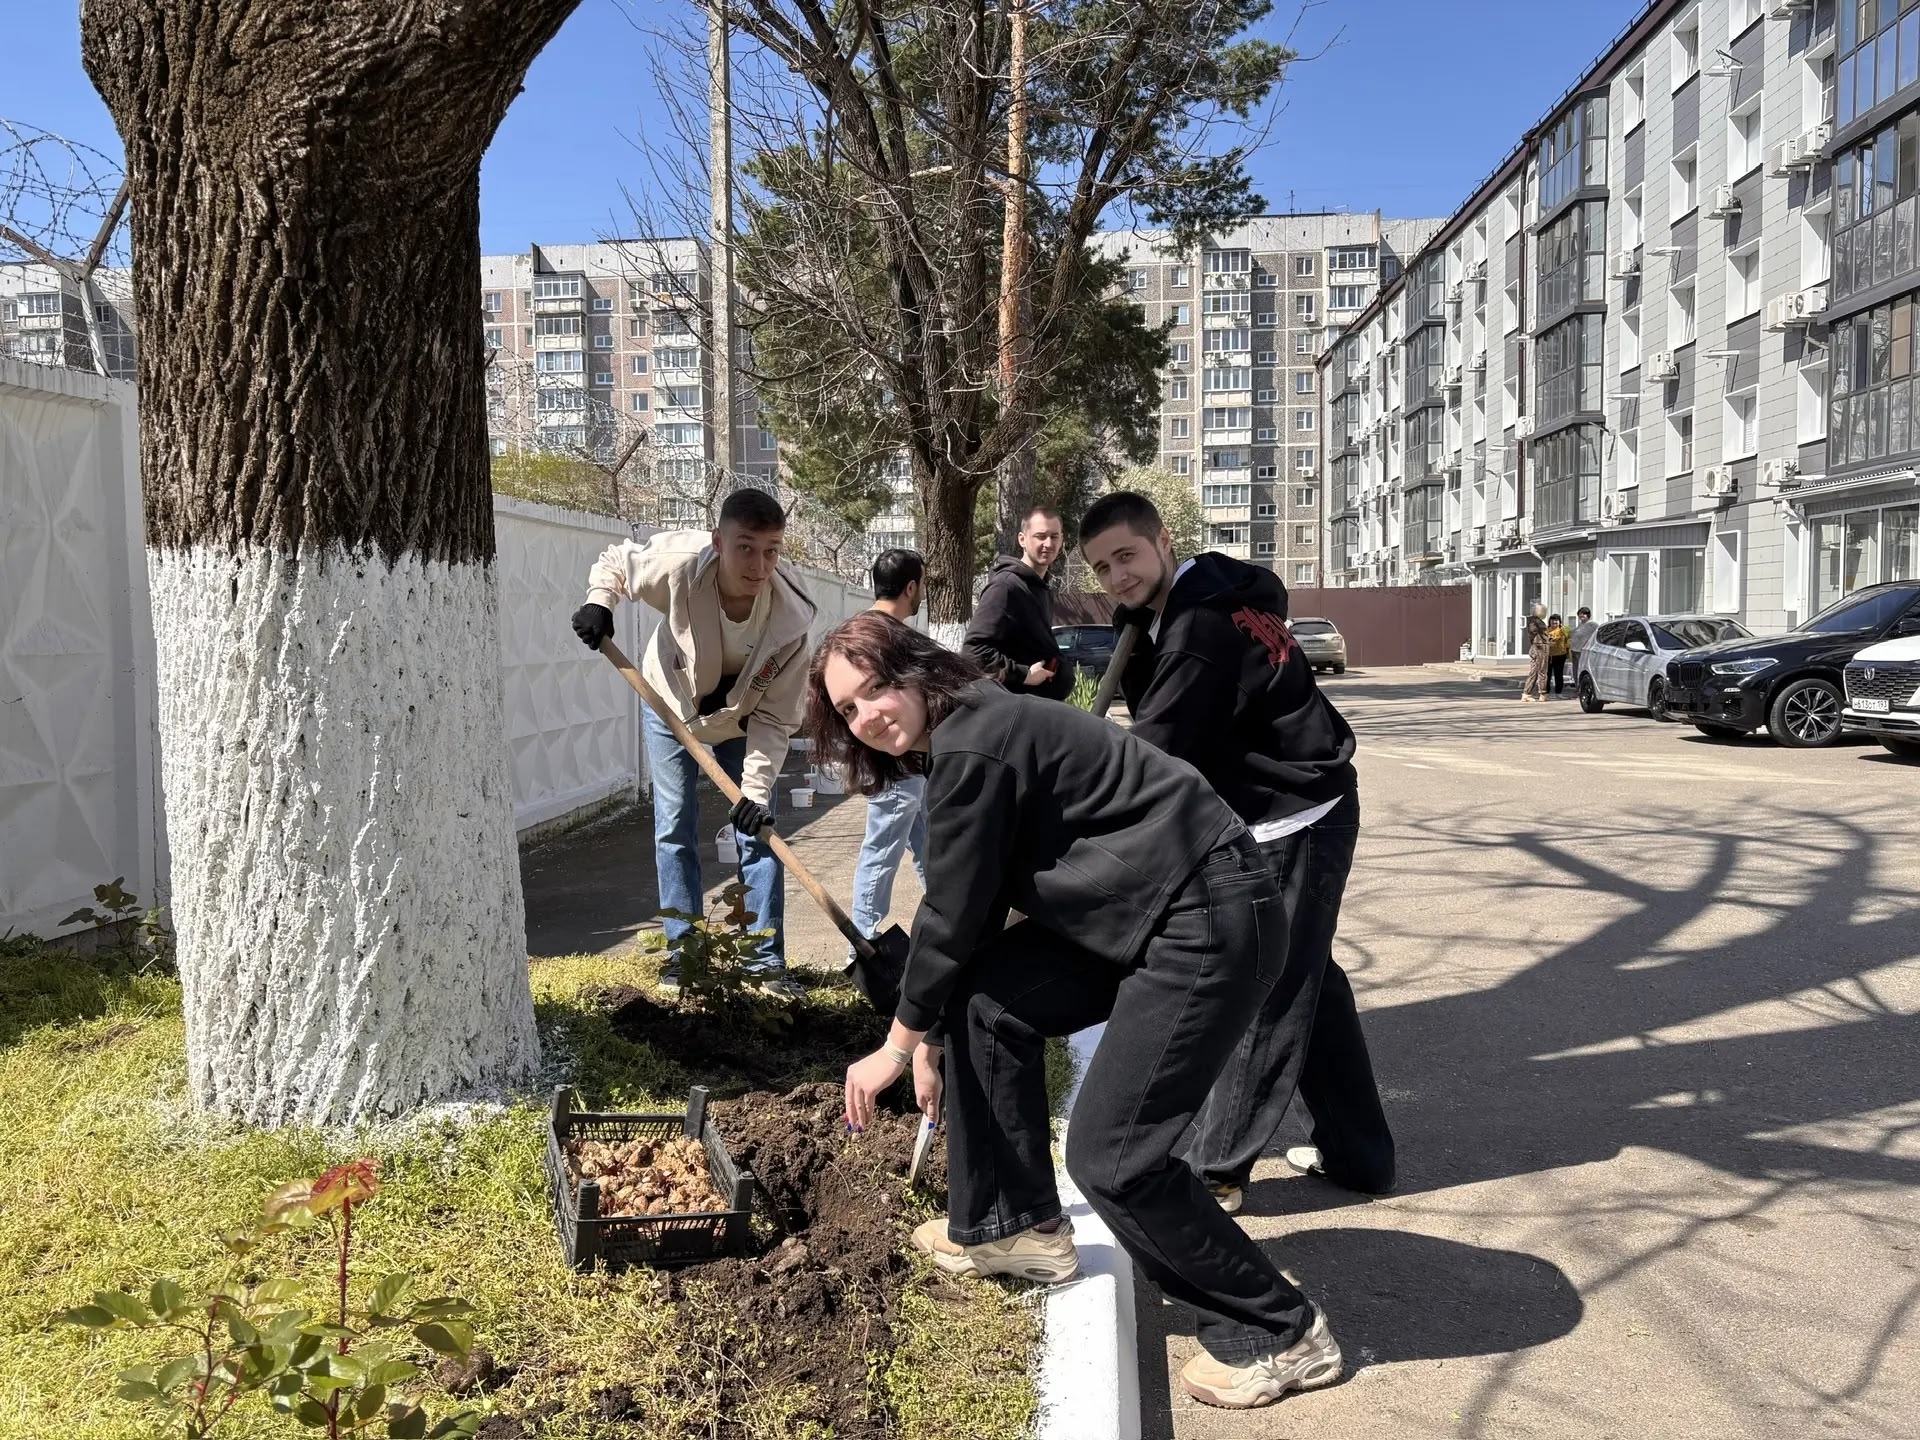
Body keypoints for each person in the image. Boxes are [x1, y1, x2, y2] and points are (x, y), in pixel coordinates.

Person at [815, 613, 1346, 1412]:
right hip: (1154, 910)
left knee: (1115, 1157)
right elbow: (960, 919)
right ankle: (1012, 1228)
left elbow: (956, 913)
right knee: (989, 1002)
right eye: (849, 710)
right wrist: (927, 1027)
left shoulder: (976, 744)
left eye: (877, 689)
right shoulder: (974, 730)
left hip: (1205, 920)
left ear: (916, 670)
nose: (869, 716)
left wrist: (896, 1046)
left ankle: (1285, 1331)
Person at [1079, 492, 1393, 1216]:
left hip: (1293, 818)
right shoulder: (1206, 592)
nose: (1117, 577)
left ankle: (1218, 1170)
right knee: (1312, 980)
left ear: (1162, 540)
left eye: (1127, 556)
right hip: (1286, 805)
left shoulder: (1196, 629)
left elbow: (1153, 755)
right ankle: (1361, 1155)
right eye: (1101, 568)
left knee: (1267, 987)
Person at [570, 489, 815, 995]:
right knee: (674, 824)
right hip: (668, 708)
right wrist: (599, 602)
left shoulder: (792, 616)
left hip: (742, 723)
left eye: (772, 549)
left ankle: (764, 962)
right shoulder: (681, 565)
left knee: (758, 827)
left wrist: (756, 792)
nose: (759, 564)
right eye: (745, 547)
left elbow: (774, 717)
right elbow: (617, 561)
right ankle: (685, 958)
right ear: (718, 541)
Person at [847, 548, 930, 963]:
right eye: (922, 587)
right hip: (895, 766)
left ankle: (950, 925)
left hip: (905, 766)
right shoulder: (893, 637)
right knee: (882, 852)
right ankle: (861, 942)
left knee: (931, 848)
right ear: (911, 587)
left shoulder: (858, 632)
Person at [962, 504, 1075, 701]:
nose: (1048, 543)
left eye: (1054, 536)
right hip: (1015, 714)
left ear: (1062, 539)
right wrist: (1024, 675)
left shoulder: (1041, 586)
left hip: (1037, 710)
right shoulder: (1006, 587)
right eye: (1040, 536)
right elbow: (974, 652)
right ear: (1022, 539)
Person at [1521, 602, 1550, 703]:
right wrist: (1545, 638)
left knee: (1534, 671)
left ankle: (1527, 693)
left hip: (1539, 647)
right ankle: (1542, 693)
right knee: (1541, 671)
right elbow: (1534, 632)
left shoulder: (1535, 621)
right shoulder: (1536, 622)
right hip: (1540, 648)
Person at [1569, 606, 1596, 688]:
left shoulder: (1592, 625)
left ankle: (1583, 688)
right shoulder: (1580, 625)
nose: (1581, 616)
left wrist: (1587, 645)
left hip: (1583, 652)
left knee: (1582, 670)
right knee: (1575, 670)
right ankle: (1577, 687)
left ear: (1588, 615)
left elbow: (1595, 636)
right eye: (1580, 614)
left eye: (1584, 614)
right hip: (1575, 651)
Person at [1547, 613, 1572, 696]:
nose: (1555, 622)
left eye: (1557, 620)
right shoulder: (1546, 630)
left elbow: (1568, 641)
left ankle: (1558, 692)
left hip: (1560, 655)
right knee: (1547, 675)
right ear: (1549, 621)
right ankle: (1546, 692)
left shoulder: (1563, 630)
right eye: (1553, 620)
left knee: (1559, 674)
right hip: (1548, 656)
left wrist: (1568, 653)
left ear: (1560, 621)